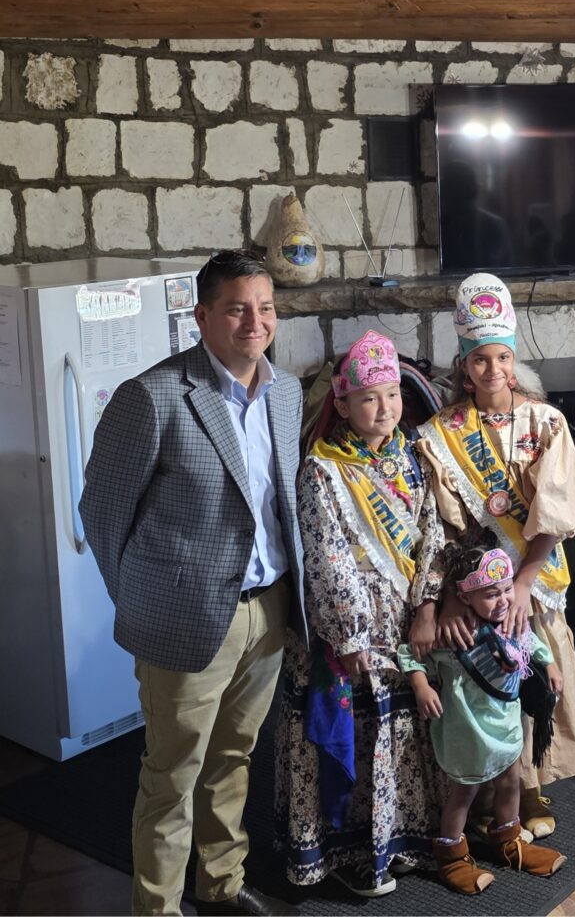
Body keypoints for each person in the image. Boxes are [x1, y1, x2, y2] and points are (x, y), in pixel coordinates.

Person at [79, 250, 305, 917]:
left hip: (267, 609)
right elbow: (102, 511)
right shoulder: (152, 397)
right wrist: (146, 601)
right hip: (182, 621)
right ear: (202, 316)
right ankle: (158, 908)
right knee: (171, 777)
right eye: (237, 308)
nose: (253, 322)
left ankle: (222, 885)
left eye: (264, 308)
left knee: (235, 758)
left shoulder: (287, 392)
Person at [274, 330, 446, 897]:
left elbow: (431, 536)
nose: (385, 409)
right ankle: (345, 853)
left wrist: (425, 606)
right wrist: (349, 635)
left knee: (398, 736)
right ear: (342, 405)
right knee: (352, 734)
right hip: (346, 636)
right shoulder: (322, 470)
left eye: (393, 395)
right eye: (370, 398)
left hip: (401, 626)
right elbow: (326, 558)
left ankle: (398, 842)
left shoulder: (412, 460)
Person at [417, 272, 575, 840]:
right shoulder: (438, 434)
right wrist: (448, 601)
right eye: (480, 359)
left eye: (502, 358)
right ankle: (491, 793)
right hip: (475, 590)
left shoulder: (545, 422)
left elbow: (557, 511)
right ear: (463, 364)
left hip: (530, 585)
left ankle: (531, 788)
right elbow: (441, 527)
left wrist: (523, 583)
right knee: (483, 687)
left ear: (515, 359)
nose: (493, 371)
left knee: (532, 681)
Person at [398, 544, 567, 894]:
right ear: (464, 596)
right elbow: (410, 655)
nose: (503, 599)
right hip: (467, 733)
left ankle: (509, 840)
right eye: (491, 594)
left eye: (506, 589)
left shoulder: (509, 622)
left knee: (510, 781)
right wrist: (420, 686)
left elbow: (530, 641)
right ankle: (451, 856)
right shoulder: (451, 635)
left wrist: (549, 663)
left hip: (505, 727)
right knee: (463, 794)